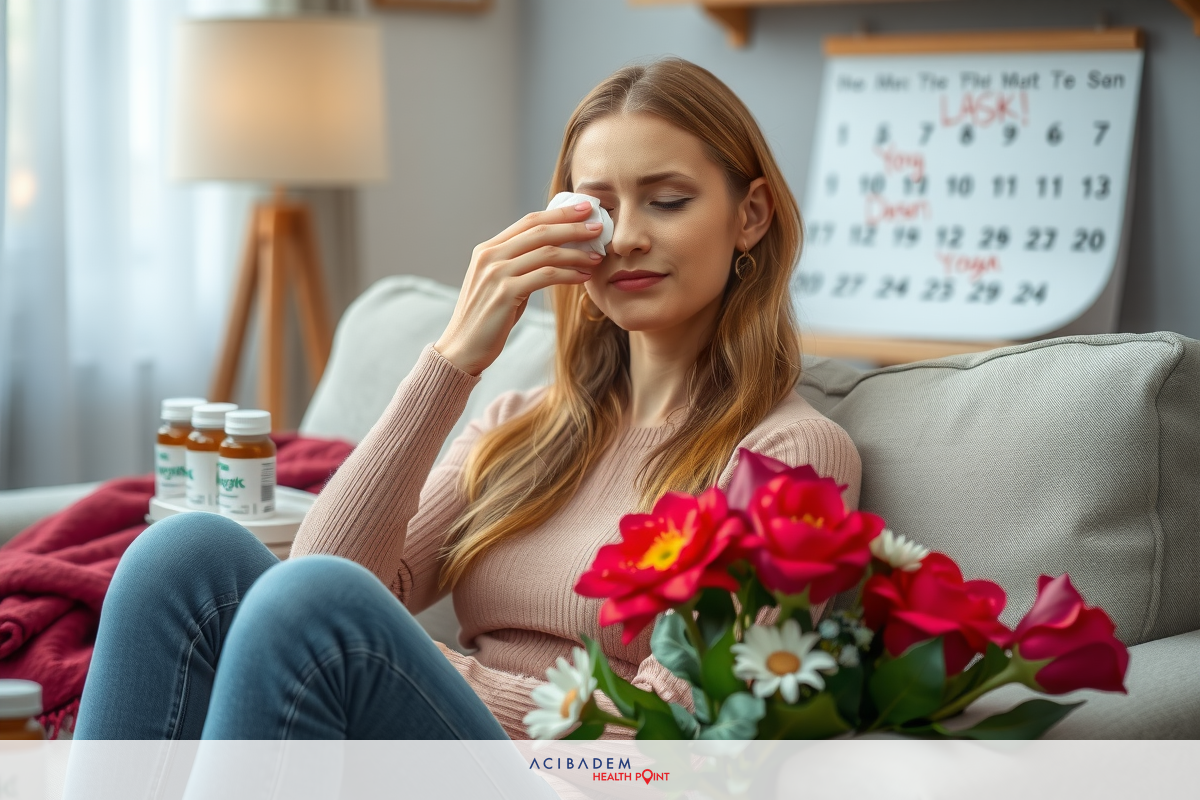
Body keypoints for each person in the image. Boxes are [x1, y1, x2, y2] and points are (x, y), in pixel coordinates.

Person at [74, 57, 861, 742]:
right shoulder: (520, 425)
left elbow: (681, 729)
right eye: (601, 207)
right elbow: (324, 576)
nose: (624, 239)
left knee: (313, 604)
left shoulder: (787, 456)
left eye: (667, 200)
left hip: (583, 777)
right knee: (185, 553)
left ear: (749, 215)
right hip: (436, 749)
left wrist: (424, 667)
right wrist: (453, 362)